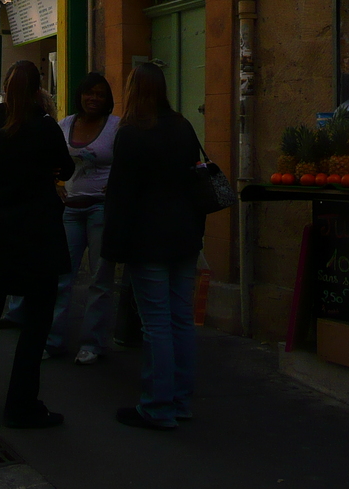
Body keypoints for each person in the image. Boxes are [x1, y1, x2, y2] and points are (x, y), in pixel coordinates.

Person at [0, 60, 74, 429]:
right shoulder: (45, 128)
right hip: (36, 232)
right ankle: (21, 404)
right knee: (36, 321)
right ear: (39, 90)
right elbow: (66, 168)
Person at [102, 62, 205, 431]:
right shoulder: (183, 127)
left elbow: (121, 195)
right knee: (181, 321)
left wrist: (114, 246)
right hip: (185, 236)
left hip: (148, 240)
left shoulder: (131, 133)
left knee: (156, 324)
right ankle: (180, 400)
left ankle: (157, 406)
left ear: (133, 91)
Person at [48, 72, 120, 364]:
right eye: (89, 92)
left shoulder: (116, 127)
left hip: (102, 209)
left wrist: (117, 186)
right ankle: (52, 341)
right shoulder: (65, 125)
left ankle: (93, 343)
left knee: (100, 279)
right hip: (71, 210)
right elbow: (51, 162)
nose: (94, 98)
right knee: (61, 277)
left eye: (100, 94)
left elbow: (128, 162)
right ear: (80, 95)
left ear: (108, 99)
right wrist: (55, 186)